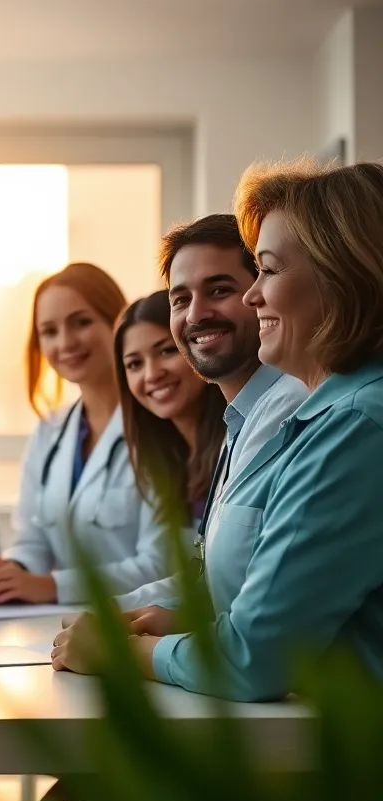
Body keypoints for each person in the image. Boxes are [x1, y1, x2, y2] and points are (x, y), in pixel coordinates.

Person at [53, 160, 383, 702]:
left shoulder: (354, 424)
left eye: (269, 271)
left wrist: (117, 651)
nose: (255, 296)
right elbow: (275, 591)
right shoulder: (320, 416)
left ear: (340, 276)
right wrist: (179, 614)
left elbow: (252, 658)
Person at [110, 214, 308, 615]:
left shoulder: (291, 405)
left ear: (260, 294)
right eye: (180, 299)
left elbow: (259, 610)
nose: (196, 315)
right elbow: (213, 579)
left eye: (218, 290)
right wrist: (112, 613)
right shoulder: (240, 417)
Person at [0, 263, 167, 607]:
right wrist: (8, 570)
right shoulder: (50, 431)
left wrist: (49, 586)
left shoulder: (163, 425)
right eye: (49, 331)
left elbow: (162, 565)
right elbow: (33, 536)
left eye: (81, 322)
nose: (66, 342)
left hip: (140, 623)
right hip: (59, 626)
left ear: (118, 322)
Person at [115, 290, 226, 529]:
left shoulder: (236, 446)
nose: (152, 374)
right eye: (135, 364)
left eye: (167, 351)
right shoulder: (167, 460)